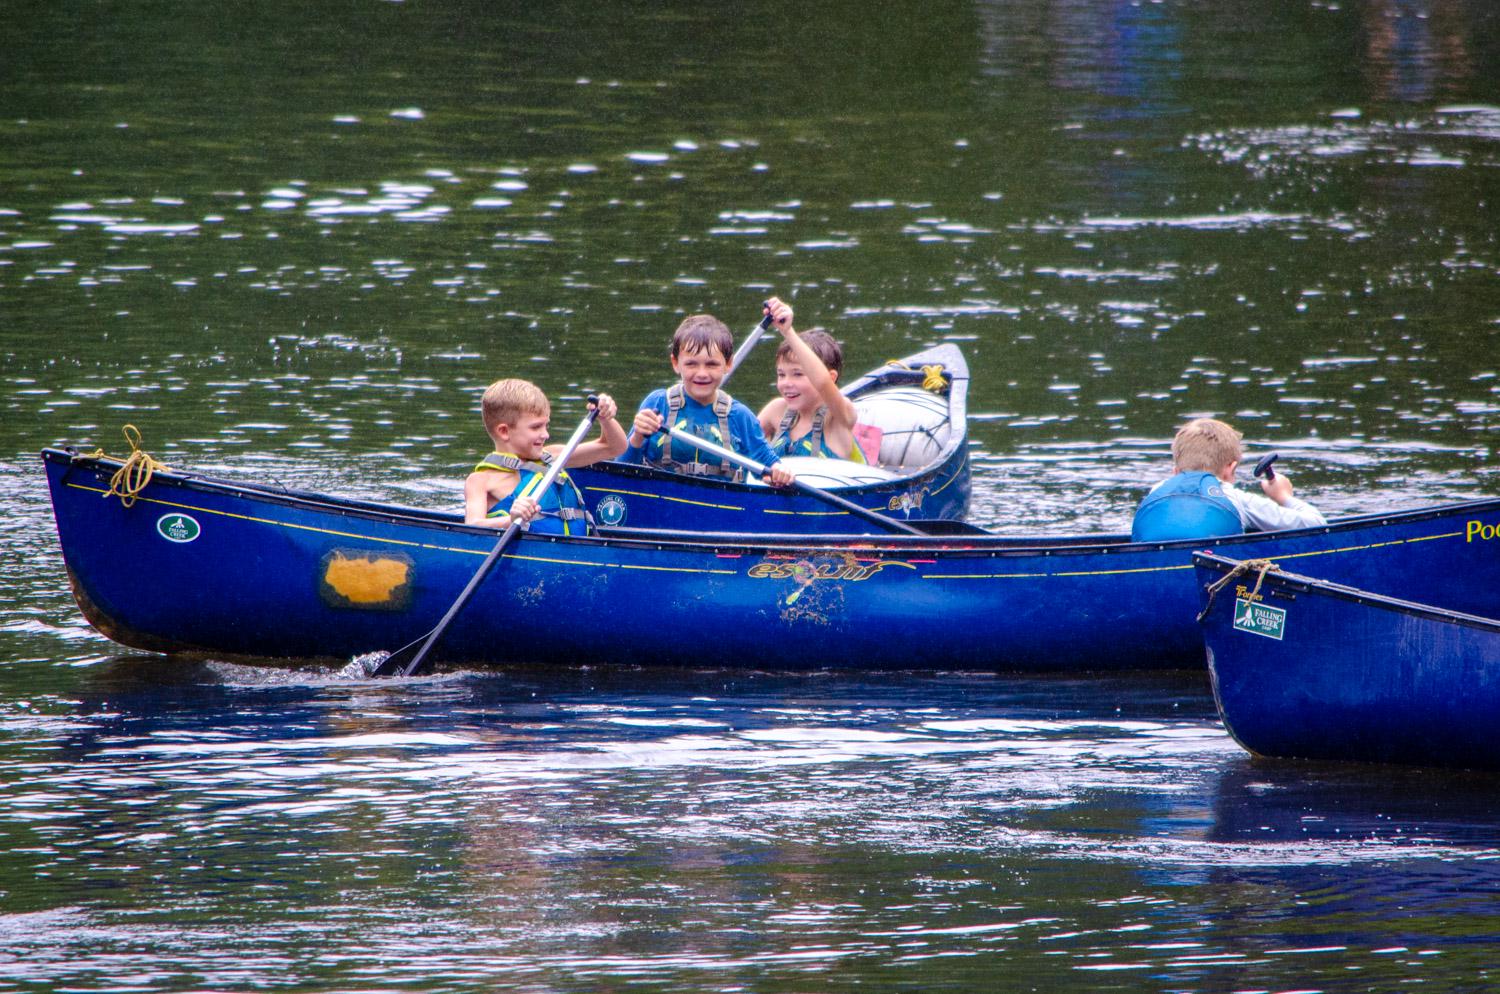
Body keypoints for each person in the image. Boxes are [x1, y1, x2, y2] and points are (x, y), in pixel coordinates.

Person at [619, 313, 794, 486]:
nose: (702, 373)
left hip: (719, 503)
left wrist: (779, 472)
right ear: (675, 363)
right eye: (691, 364)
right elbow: (620, 468)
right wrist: (638, 436)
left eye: (711, 364)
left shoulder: (740, 416)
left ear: (728, 364)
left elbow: (769, 462)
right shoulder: (657, 404)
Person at [465, 379, 627, 535]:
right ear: (504, 431)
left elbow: (615, 447)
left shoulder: (553, 456)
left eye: (546, 425)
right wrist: (510, 520)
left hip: (578, 548)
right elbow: (472, 526)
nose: (545, 434)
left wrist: (605, 419)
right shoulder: (480, 480)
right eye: (536, 427)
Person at [1131, 417, 1326, 542]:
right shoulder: (1236, 498)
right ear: (1230, 469)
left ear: (1175, 472)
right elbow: (1318, 525)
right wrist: (1284, 497)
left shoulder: (1156, 490)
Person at [756, 296, 866, 464]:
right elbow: (740, 445)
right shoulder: (776, 410)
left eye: (798, 374)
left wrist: (787, 332)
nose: (786, 383)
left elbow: (822, 382)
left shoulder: (839, 417)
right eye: (781, 374)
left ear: (832, 377)